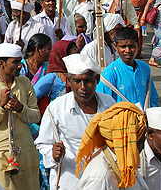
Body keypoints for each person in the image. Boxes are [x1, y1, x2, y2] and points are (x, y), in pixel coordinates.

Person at [36, 54, 115, 190]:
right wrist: (52, 153)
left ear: (96, 80)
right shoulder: (56, 108)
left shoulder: (109, 104)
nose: (82, 87)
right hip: (71, 181)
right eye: (77, 81)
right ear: (69, 81)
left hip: (105, 180)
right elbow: (43, 143)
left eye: (88, 81)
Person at [0, 43, 40, 190]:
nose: (20, 65)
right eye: (15, 62)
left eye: (20, 61)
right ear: (1, 63)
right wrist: (0, 106)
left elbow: (36, 116)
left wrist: (21, 108)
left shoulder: (25, 83)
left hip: (26, 153)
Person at [75, 102, 148, 190]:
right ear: (129, 141)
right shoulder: (100, 177)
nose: (144, 144)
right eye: (142, 137)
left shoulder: (124, 164)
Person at [97, 26, 159, 109]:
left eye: (131, 46)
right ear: (116, 46)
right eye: (123, 47)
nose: (127, 50)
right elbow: (102, 104)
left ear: (138, 45)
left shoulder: (145, 68)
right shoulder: (110, 73)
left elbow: (152, 98)